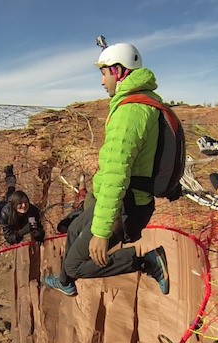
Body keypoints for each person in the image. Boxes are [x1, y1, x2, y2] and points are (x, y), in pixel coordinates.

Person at [43, 43, 169, 296]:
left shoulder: (130, 112)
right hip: (118, 200)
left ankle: (147, 261)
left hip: (125, 206)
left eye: (104, 73)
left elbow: (115, 175)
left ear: (118, 71)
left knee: (76, 265)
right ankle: (65, 282)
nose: (102, 81)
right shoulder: (141, 103)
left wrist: (101, 233)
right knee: (74, 229)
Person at [0, 165, 44, 245]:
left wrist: (39, 234)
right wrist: (22, 232)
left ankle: (8, 171)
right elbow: (9, 238)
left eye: (26, 202)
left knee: (11, 192)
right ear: (15, 205)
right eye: (20, 203)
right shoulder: (4, 215)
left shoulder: (32, 210)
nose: (24, 205)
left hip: (10, 203)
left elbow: (39, 226)